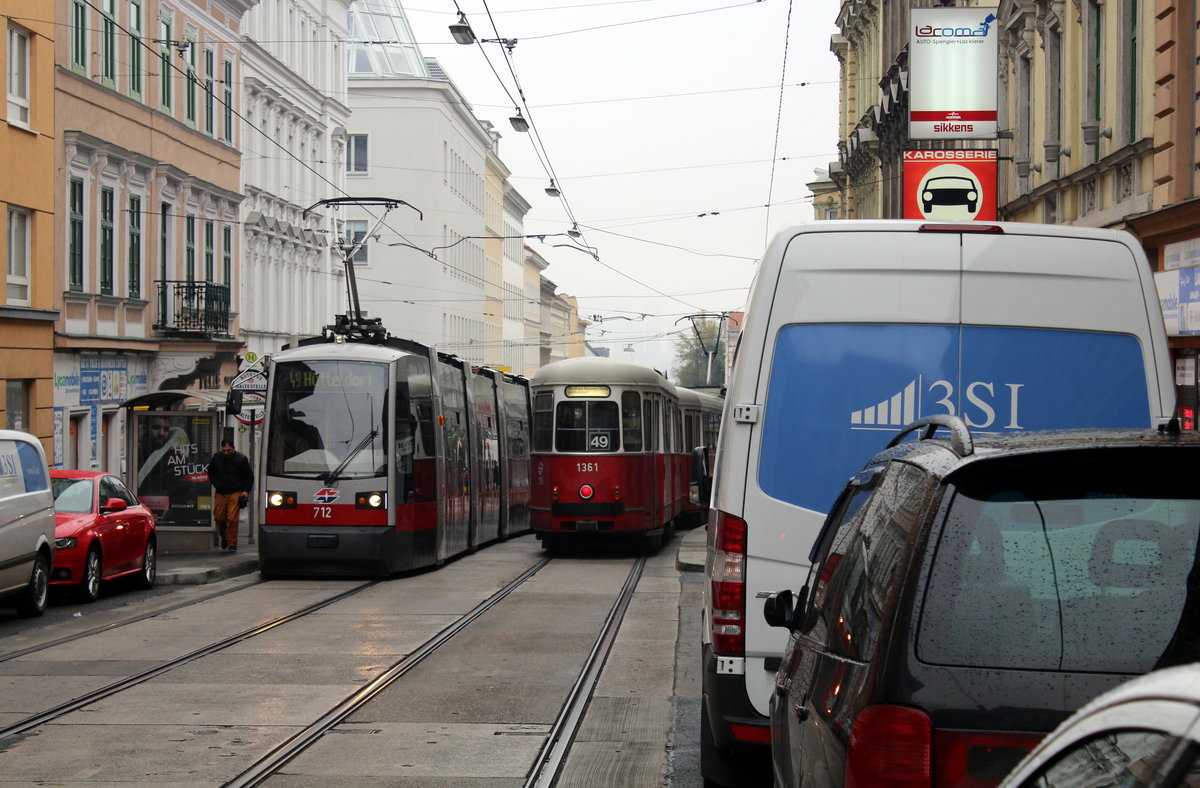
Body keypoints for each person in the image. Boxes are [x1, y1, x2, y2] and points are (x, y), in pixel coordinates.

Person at [206, 439, 253, 552]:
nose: (226, 453)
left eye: (228, 450)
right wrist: (215, 483)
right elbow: (211, 471)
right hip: (221, 490)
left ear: (233, 448)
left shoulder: (241, 459)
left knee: (232, 518)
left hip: (235, 491)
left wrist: (246, 491)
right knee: (218, 517)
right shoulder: (217, 457)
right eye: (224, 450)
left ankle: (232, 543)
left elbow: (248, 476)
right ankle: (225, 536)